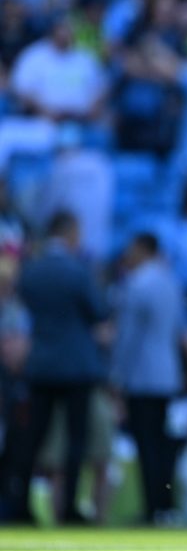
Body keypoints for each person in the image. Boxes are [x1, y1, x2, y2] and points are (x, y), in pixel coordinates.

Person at [11, 211, 107, 523]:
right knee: (75, 440)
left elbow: (24, 300)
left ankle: (19, 504)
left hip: (41, 364)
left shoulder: (32, 270)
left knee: (33, 437)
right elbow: (98, 311)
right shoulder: (78, 271)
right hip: (76, 365)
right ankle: (69, 509)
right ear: (69, 232)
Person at [111, 232, 185, 524]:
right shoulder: (171, 282)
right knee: (163, 444)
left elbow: (128, 337)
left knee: (146, 444)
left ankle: (151, 507)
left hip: (142, 375)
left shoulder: (137, 283)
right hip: (168, 373)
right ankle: (166, 505)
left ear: (143, 248)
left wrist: (117, 374)